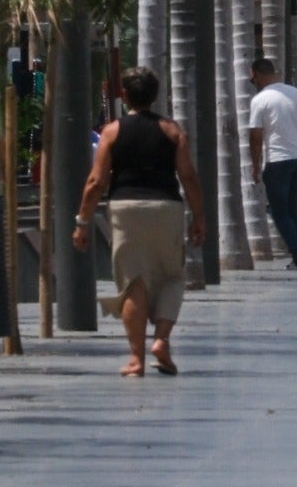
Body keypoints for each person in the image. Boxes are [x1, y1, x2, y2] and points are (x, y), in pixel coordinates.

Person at [72, 66, 205, 377]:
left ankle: (136, 359)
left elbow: (96, 181)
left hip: (126, 208)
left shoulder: (112, 132)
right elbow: (188, 176)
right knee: (172, 276)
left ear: (125, 95)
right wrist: (199, 216)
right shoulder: (172, 131)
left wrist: (82, 221)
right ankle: (161, 340)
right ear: (155, 96)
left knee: (134, 283)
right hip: (166, 207)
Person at [247, 58, 297, 268]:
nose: (253, 81)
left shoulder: (260, 100)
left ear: (257, 75)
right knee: (291, 207)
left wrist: (255, 166)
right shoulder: (296, 93)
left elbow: (255, 136)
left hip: (278, 160)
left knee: (279, 211)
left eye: (252, 78)